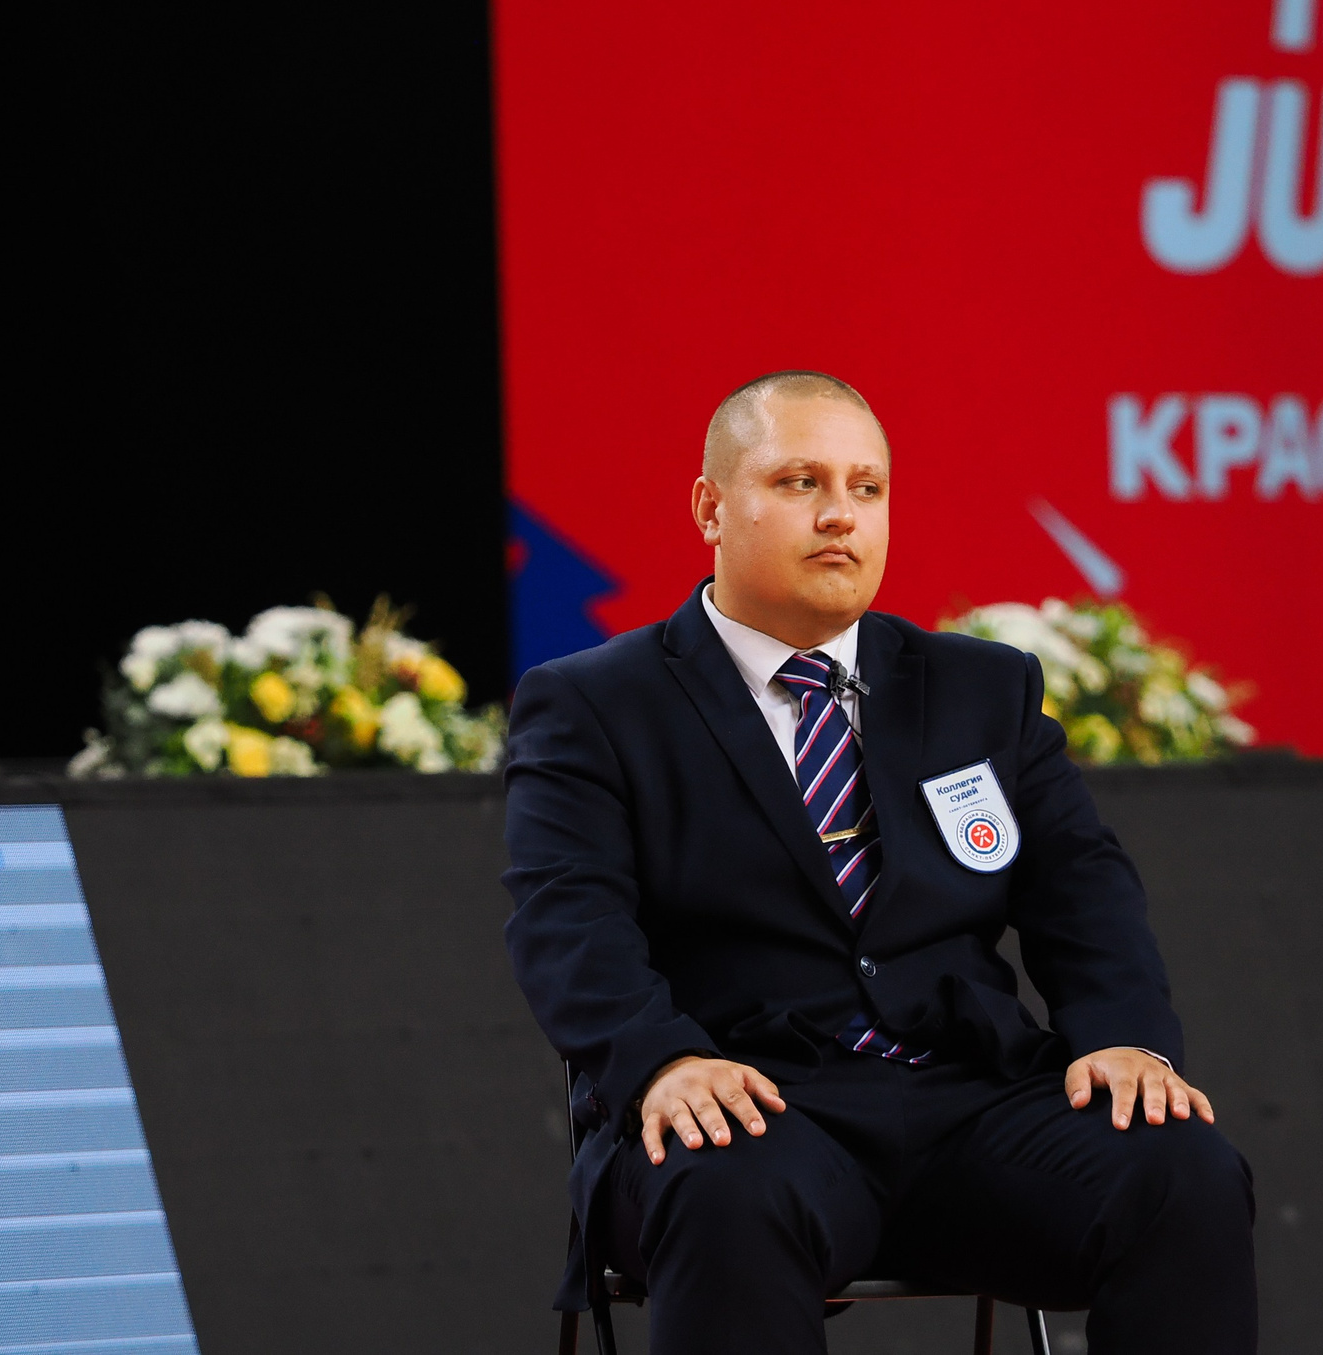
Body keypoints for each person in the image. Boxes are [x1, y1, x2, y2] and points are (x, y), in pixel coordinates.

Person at [503, 371, 1256, 1353]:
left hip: (971, 1109)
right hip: (749, 1103)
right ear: (710, 508)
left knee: (1181, 1172)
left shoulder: (982, 690)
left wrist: (1123, 1039)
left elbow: (1086, 893)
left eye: (866, 489)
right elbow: (568, 918)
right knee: (725, 1188)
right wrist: (664, 1061)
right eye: (798, 482)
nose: (838, 517)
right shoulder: (597, 702)